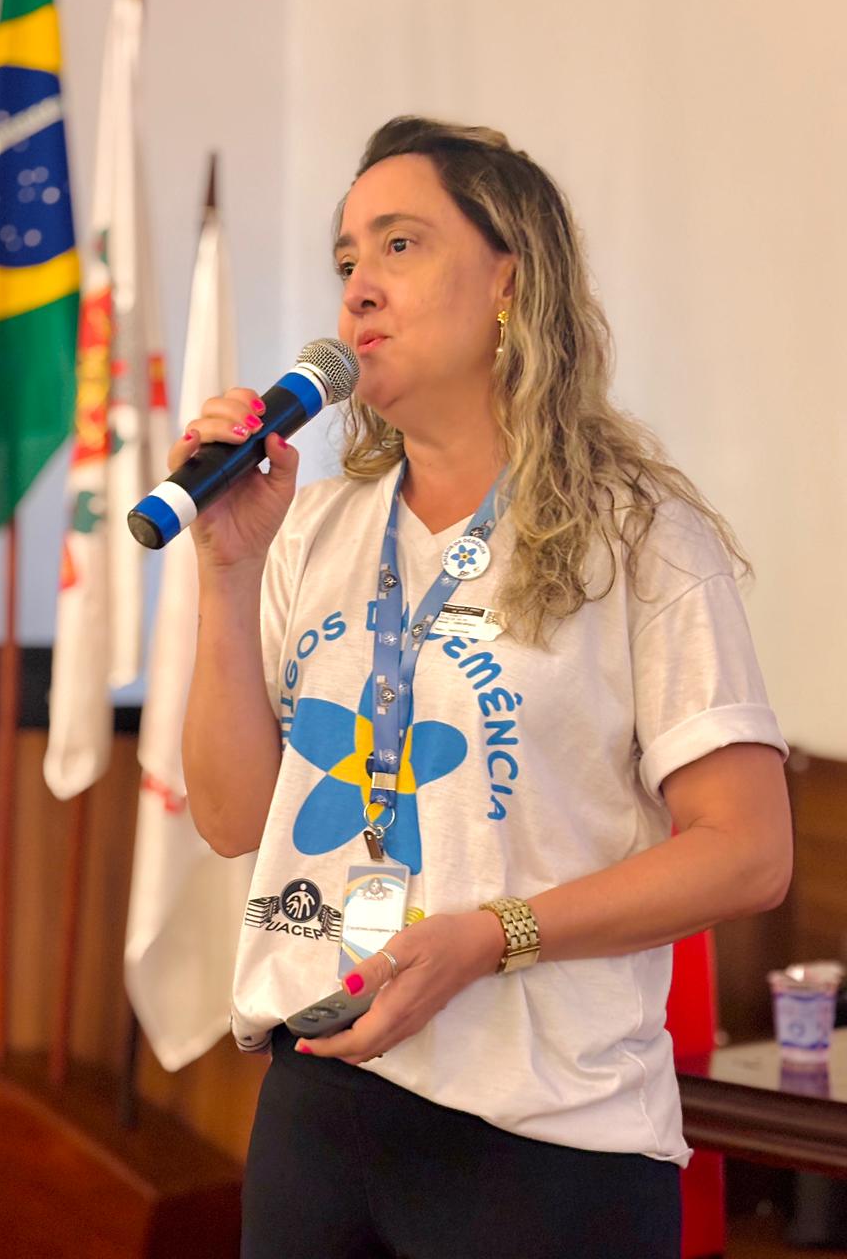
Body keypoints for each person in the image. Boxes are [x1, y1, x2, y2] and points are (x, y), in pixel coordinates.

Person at [173, 117, 792, 1258]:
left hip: (545, 1141)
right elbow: (227, 818)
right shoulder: (309, 530)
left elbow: (749, 852)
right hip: (316, 1108)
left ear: (510, 280)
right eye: (347, 258)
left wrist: (491, 935)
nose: (359, 286)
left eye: (400, 245)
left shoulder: (641, 538)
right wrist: (226, 569)